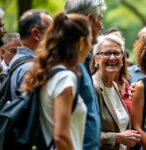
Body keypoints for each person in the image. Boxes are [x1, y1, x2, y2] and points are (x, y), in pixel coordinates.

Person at [22, 12, 91, 150]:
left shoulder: (47, 73)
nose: (90, 47)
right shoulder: (65, 78)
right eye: (90, 40)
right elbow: (61, 136)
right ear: (81, 42)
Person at [64, 0, 106, 149]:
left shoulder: (81, 61)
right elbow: (61, 134)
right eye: (99, 19)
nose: (101, 26)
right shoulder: (69, 65)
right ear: (89, 19)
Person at [93, 33, 141, 150]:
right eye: (107, 53)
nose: (112, 57)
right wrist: (117, 138)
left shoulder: (113, 85)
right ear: (96, 59)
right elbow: (85, 134)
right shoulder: (93, 87)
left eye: (116, 53)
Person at [9, 9, 52, 100]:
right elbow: (33, 111)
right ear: (36, 34)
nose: (55, 36)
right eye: (51, 31)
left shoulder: (17, 60)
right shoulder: (31, 69)